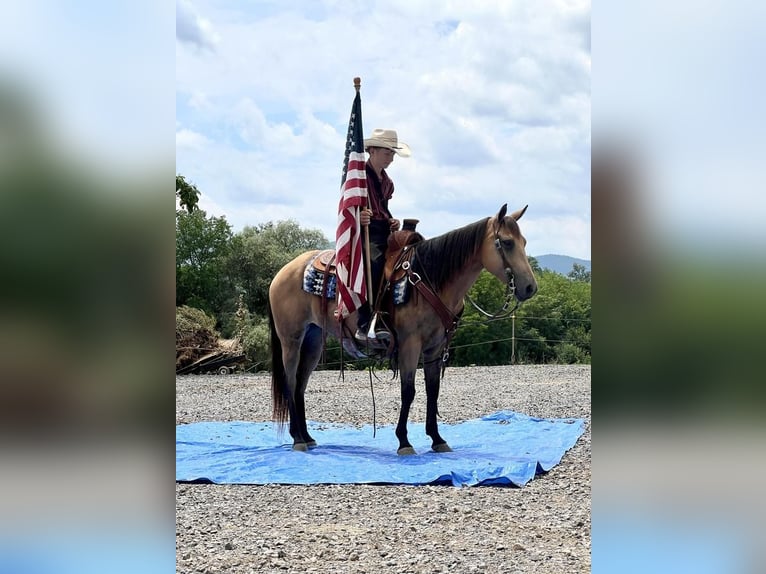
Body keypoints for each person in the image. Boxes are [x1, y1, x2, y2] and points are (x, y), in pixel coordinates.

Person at [355, 128, 411, 344]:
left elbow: (383, 209)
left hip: (383, 230)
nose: (391, 159)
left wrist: (392, 220)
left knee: (406, 262)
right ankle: (363, 322)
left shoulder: (387, 182)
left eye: (393, 154)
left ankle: (394, 313)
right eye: (387, 153)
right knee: (375, 264)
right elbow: (346, 207)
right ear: (372, 151)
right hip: (364, 233)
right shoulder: (359, 178)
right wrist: (360, 217)